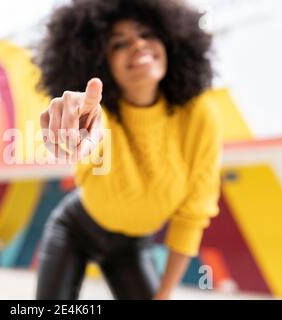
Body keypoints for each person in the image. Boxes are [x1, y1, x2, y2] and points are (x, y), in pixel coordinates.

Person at [35, 0, 223, 300]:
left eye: (146, 33)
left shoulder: (200, 115)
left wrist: (163, 295)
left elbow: (193, 216)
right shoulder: (102, 114)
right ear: (100, 62)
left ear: (170, 41)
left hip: (133, 247)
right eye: (118, 43)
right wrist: (77, 127)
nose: (137, 44)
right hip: (75, 230)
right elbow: (95, 132)